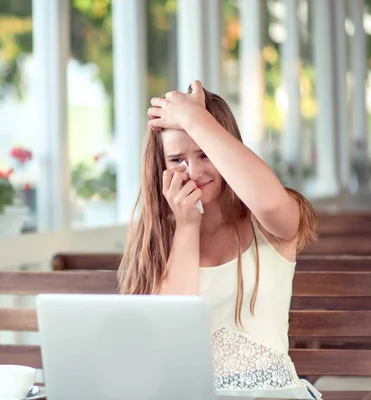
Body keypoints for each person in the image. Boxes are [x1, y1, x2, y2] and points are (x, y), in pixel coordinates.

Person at [117, 81, 321, 399]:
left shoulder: (267, 219)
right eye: (177, 160)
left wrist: (192, 118)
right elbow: (171, 333)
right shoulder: (158, 235)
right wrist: (186, 225)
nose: (194, 171)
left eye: (205, 153)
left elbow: (268, 203)